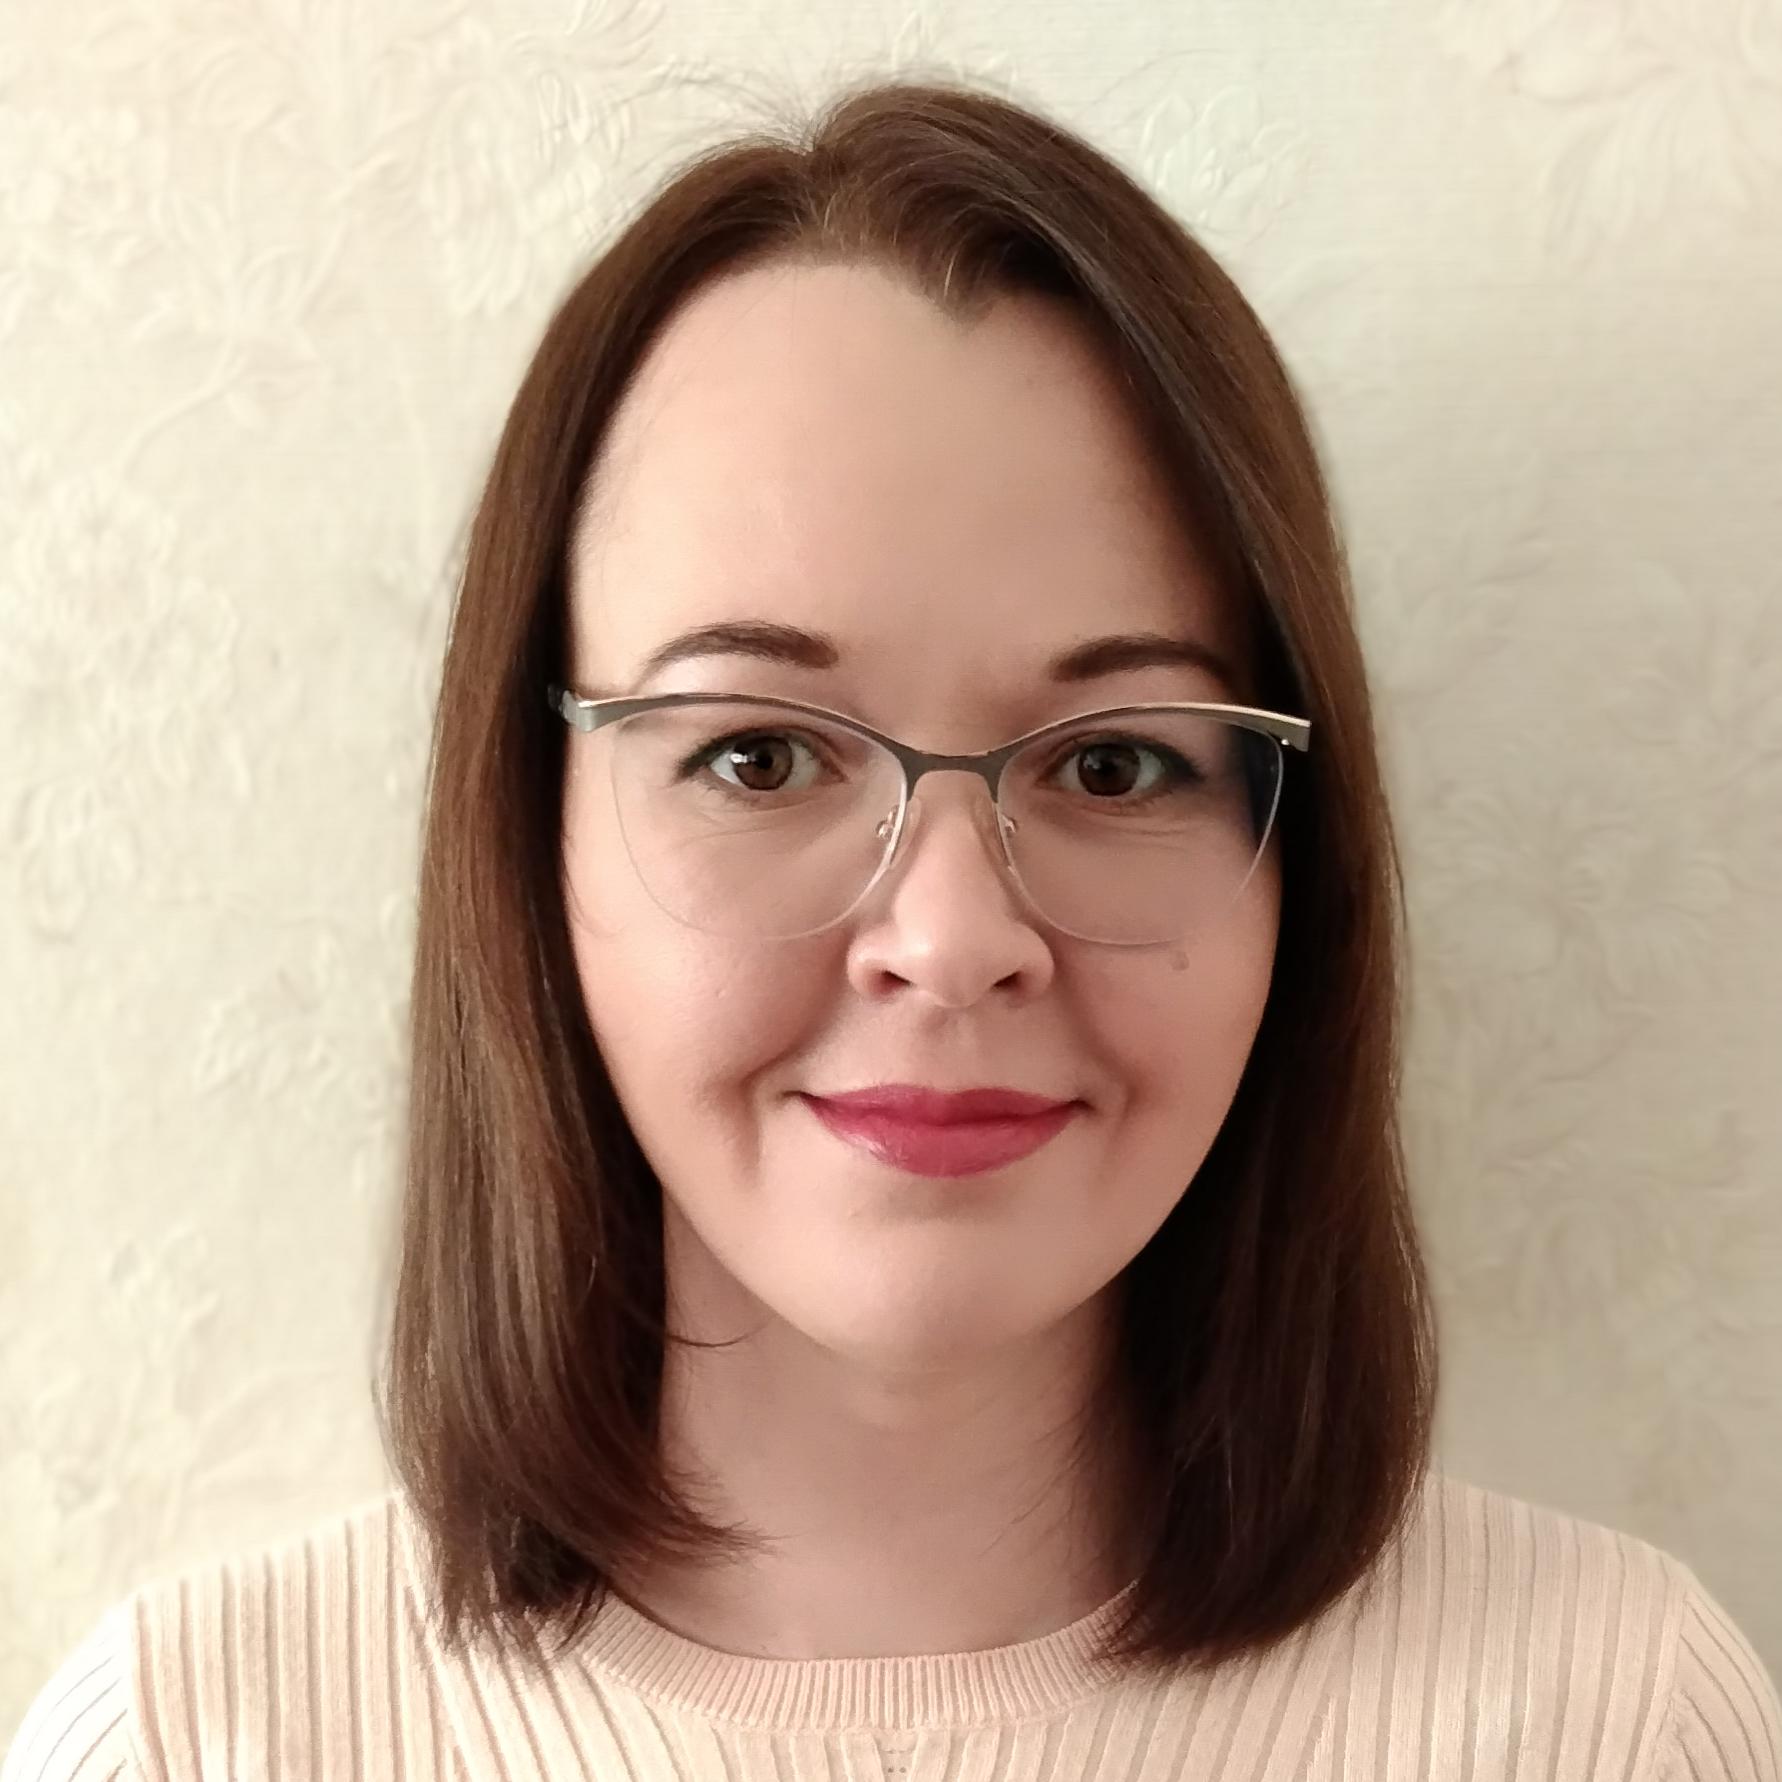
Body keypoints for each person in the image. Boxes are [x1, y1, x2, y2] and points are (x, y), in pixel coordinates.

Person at [6, 75, 1778, 1782]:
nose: (947, 938)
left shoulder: (1612, 1725)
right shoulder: (195, 1742)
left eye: (1113, 760)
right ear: (528, 843)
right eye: (759, 755)